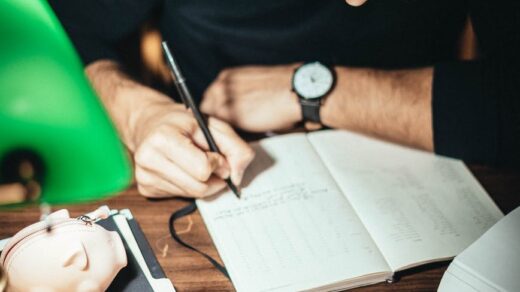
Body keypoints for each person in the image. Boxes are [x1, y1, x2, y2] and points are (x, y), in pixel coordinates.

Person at [49, 0, 520, 198]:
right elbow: (65, 32)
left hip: (427, 165)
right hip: (212, 159)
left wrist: (316, 90)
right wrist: (139, 112)